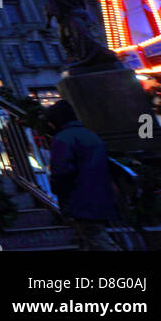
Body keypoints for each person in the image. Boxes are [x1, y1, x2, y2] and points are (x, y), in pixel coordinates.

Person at [46, 100, 120, 250]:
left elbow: (62, 171)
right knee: (92, 238)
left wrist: (57, 188)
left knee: (96, 238)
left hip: (79, 197)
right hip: (100, 194)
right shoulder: (90, 136)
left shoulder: (62, 139)